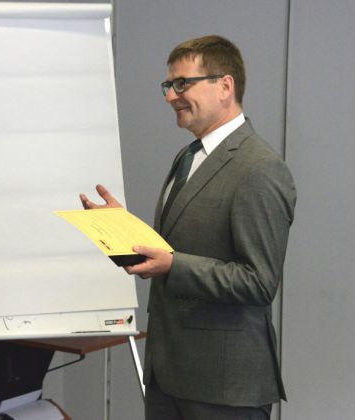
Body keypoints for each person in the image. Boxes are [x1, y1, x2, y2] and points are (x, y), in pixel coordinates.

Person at [80, 35, 296, 420]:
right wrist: (124, 231)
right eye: (168, 85)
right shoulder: (188, 156)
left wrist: (173, 265)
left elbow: (259, 282)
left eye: (182, 84)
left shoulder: (260, 168)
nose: (170, 96)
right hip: (169, 378)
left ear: (225, 86)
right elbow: (181, 242)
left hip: (224, 389)